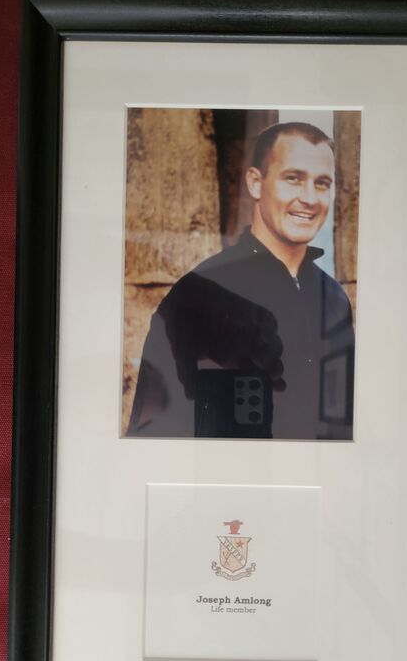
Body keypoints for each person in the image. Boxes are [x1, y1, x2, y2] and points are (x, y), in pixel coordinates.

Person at [127, 121, 355, 440]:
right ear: (255, 183)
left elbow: (343, 425)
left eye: (322, 183)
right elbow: (155, 435)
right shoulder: (197, 295)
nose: (309, 198)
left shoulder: (333, 298)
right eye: (293, 178)